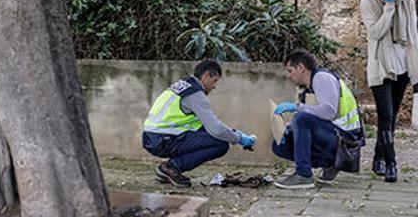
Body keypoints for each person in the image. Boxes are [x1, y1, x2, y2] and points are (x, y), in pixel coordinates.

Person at [142, 59, 256, 187]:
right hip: (165, 139)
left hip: (153, 137)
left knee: (213, 136)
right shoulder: (195, 94)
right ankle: (171, 167)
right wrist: (239, 139)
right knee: (220, 145)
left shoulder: (182, 86)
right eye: (214, 81)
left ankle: (168, 171)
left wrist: (233, 133)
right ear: (206, 76)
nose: (214, 86)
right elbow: (216, 129)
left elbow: (205, 126)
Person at [272, 49, 364, 189]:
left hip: (346, 141)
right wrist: (289, 128)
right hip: (337, 137)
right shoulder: (311, 86)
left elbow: (328, 112)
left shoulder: (322, 78)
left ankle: (303, 175)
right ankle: (331, 164)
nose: (289, 76)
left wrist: (297, 107)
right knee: (279, 145)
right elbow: (314, 118)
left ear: (301, 68)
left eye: (290, 70)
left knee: (301, 118)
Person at [360, 0, 418, 182]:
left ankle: (378, 158)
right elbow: (375, 32)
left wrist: (416, 69)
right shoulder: (369, 2)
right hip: (380, 66)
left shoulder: (408, 0)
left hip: (402, 64)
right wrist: (389, 7)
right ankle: (392, 163)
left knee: (391, 117)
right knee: (385, 115)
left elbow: (412, 35)